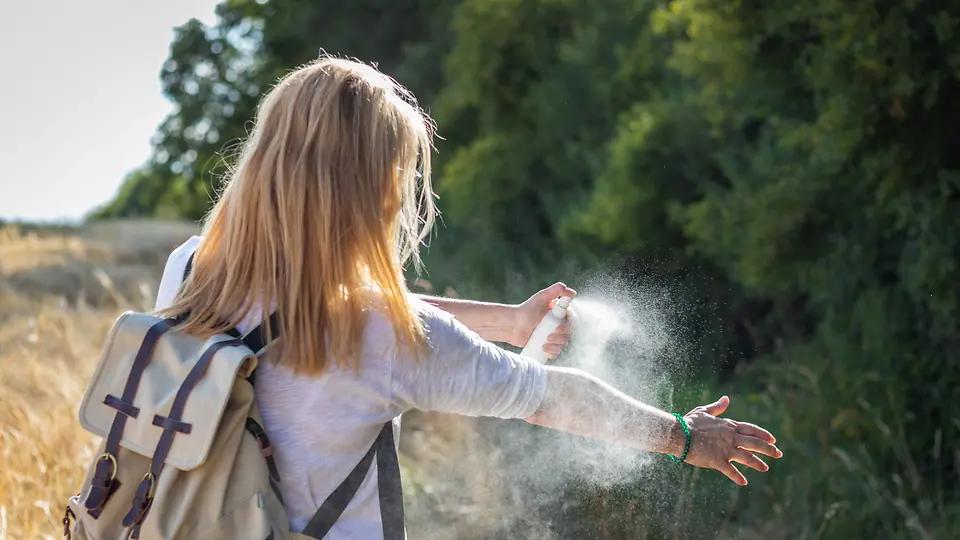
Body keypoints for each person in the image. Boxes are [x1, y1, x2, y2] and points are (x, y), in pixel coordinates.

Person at [155, 56, 781, 538]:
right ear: (372, 188)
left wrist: (510, 321)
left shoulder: (193, 266)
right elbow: (552, 397)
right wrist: (683, 435)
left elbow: (344, 309)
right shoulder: (382, 335)